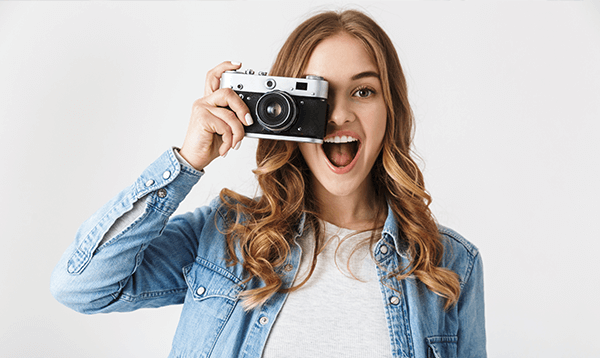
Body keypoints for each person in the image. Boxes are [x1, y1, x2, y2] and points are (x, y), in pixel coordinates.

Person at [51, 9, 486, 358]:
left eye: (363, 91)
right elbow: (83, 287)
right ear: (286, 112)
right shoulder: (225, 237)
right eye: (318, 94)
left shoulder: (451, 263)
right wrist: (187, 161)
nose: (338, 115)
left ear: (392, 108)